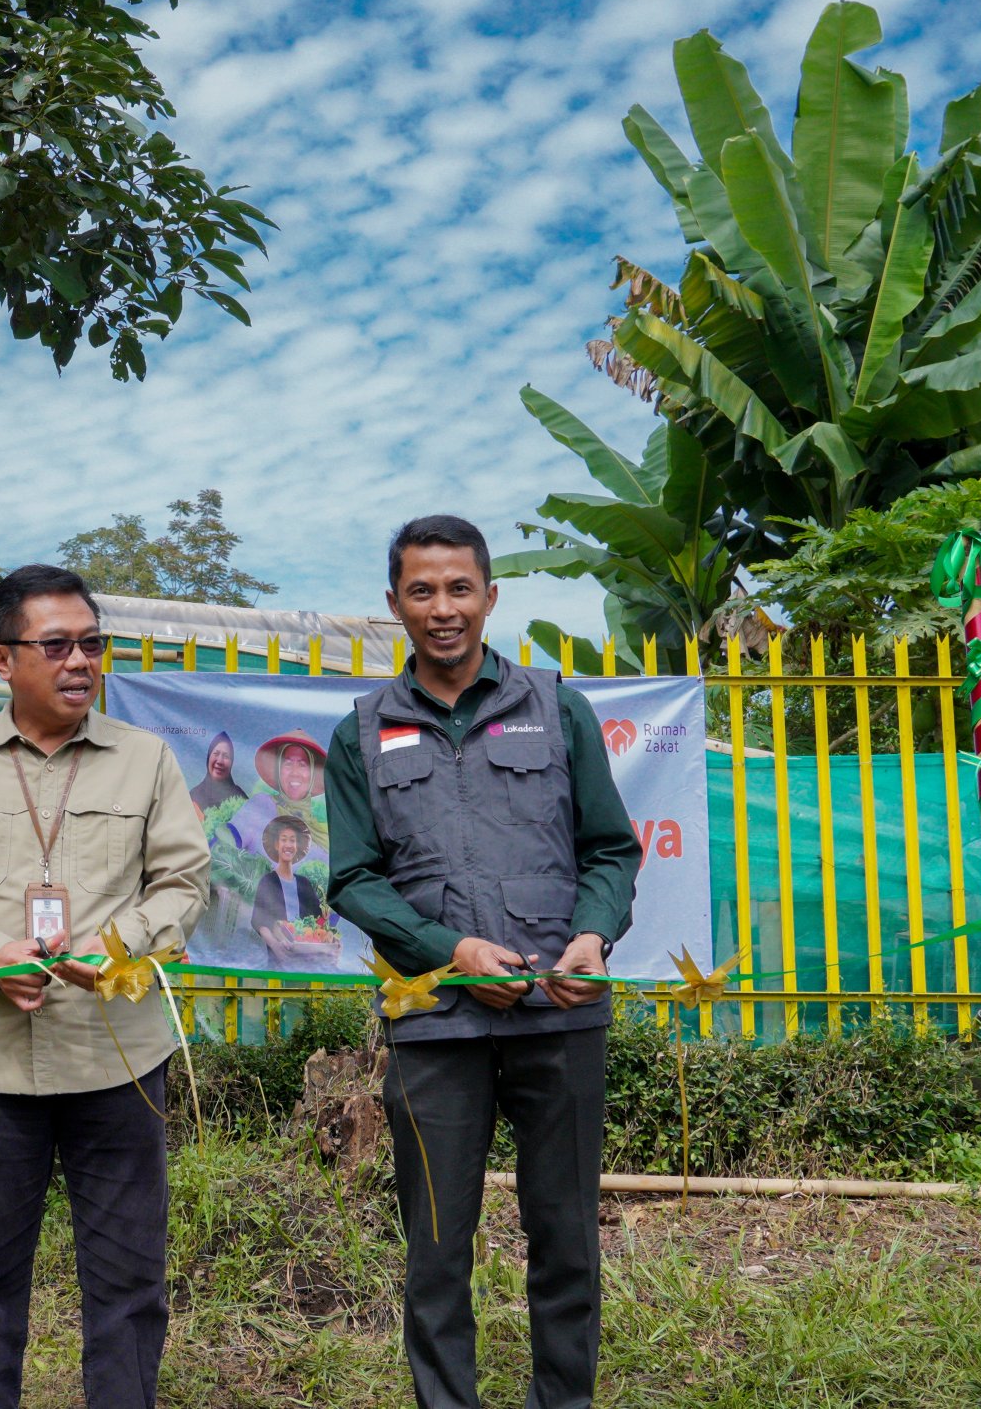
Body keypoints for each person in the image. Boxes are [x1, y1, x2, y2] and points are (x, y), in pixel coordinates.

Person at [324, 514, 642, 1409]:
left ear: (491, 596)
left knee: (568, 1241)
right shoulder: (362, 731)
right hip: (435, 1028)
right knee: (434, 1252)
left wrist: (592, 935)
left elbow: (611, 850)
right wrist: (452, 950)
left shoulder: (556, 706)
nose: (442, 608)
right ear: (394, 604)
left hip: (560, 1018)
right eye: (421, 590)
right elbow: (352, 878)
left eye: (459, 587)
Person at [0, 564, 209, 1409]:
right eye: (56, 644)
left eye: (93, 644)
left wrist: (121, 942)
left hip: (121, 1060)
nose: (80, 662)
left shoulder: (146, 760)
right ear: (2, 658)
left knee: (130, 1283)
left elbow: (183, 882)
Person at [250, 814, 330, 964]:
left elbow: (319, 922)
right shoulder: (268, 881)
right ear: (276, 845)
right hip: (278, 961)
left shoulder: (304, 884)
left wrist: (329, 941)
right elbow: (259, 921)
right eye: (284, 839)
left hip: (308, 960)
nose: (288, 845)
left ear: (297, 846)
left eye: (292, 840)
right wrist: (275, 945)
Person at [188, 730, 245, 813]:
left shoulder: (239, 797)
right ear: (208, 757)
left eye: (226, 756)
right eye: (216, 753)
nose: (220, 761)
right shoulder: (193, 796)